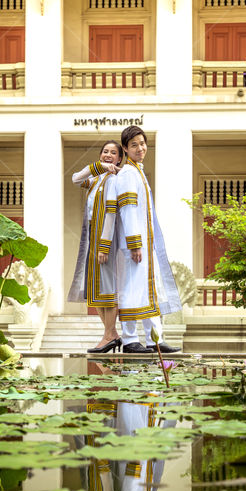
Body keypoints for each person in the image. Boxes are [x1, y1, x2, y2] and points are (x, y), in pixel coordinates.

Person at [109, 126, 181, 353]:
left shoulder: (137, 171)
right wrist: (134, 244)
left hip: (144, 244)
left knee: (149, 289)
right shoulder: (128, 174)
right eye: (134, 145)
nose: (140, 148)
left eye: (142, 143)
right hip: (134, 246)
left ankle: (154, 340)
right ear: (125, 149)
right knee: (131, 289)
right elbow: (128, 210)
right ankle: (130, 340)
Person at [67, 141, 125, 353]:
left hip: (106, 238)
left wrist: (104, 246)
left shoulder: (116, 180)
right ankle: (111, 334)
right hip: (92, 235)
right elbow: (75, 178)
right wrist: (98, 166)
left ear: (120, 158)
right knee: (95, 288)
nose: (108, 155)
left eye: (113, 153)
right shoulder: (97, 179)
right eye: (105, 152)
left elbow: (111, 214)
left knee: (107, 288)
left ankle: (109, 335)